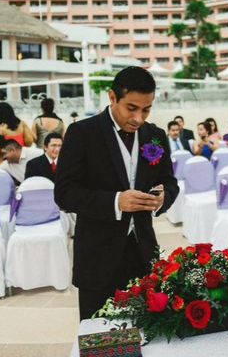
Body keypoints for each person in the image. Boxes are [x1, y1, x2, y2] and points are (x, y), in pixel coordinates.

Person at [55, 66, 178, 321]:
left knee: (147, 330)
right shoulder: (82, 133)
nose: (139, 118)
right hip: (98, 255)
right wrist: (115, 201)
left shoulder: (154, 135)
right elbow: (65, 193)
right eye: (131, 108)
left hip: (143, 252)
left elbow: (169, 180)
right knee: (100, 338)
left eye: (146, 109)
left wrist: (163, 197)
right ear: (112, 98)